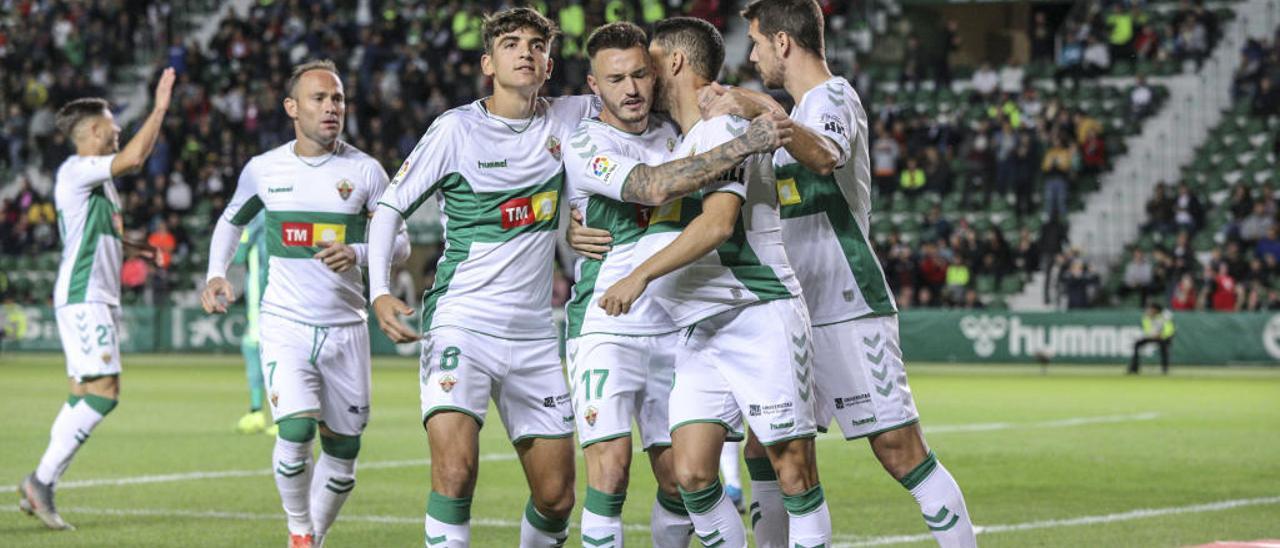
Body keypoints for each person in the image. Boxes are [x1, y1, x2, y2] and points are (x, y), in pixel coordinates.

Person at [700, 2, 977, 544]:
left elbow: (825, 155)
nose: (752, 55)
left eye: (757, 42)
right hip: (788, 313)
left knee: (901, 451)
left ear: (783, 42)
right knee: (768, 449)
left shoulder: (832, 98)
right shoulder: (788, 115)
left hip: (846, 306)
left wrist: (755, 105)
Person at [365, 9, 599, 547]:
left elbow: (640, 90)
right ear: (488, 63)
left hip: (536, 334)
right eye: (512, 44)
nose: (526, 52)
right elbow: (389, 208)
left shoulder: (569, 118)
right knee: (455, 473)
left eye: (537, 45)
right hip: (462, 324)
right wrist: (379, 292)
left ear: (548, 63)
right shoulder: (456, 130)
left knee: (557, 496)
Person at [596, 16, 830, 547]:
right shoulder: (686, 143)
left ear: (673, 62)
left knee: (793, 470)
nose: (640, 80)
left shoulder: (722, 129)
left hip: (757, 314)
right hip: (702, 331)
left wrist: (639, 276)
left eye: (648, 66)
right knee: (693, 474)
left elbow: (719, 223)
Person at [201, 60, 410, 548]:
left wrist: (359, 252)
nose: (332, 107)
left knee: (344, 450)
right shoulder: (265, 169)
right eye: (320, 98)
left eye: (338, 98)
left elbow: (399, 242)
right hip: (286, 323)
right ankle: (299, 529)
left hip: (348, 327)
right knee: (294, 431)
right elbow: (232, 221)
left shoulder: (365, 172)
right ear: (292, 108)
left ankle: (310, 538)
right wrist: (217, 273)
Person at [18, 68, 175, 532]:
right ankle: (41, 481)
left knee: (83, 392)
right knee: (105, 393)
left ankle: (40, 483)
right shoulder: (77, 169)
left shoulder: (94, 181)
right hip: (85, 294)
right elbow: (134, 157)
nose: (118, 129)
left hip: (92, 295)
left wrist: (134, 248)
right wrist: (160, 105)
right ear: (91, 131)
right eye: (111, 123)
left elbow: (92, 231)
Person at [232, 212, 274, 436]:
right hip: (288, 289)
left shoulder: (257, 213)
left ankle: (262, 413)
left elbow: (238, 255)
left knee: (255, 347)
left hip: (262, 289)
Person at [1128, 304, 1175, 374]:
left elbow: (1170, 330)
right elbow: (1147, 330)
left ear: (1157, 310)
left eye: (1151, 309)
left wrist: (1162, 335)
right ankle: (1134, 368)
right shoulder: (1146, 317)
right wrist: (1151, 335)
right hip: (1152, 336)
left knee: (1164, 346)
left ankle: (1165, 369)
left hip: (1163, 337)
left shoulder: (1165, 317)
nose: (1149, 311)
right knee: (1137, 344)